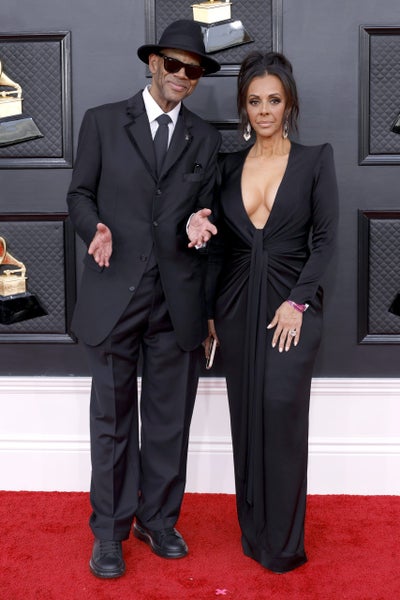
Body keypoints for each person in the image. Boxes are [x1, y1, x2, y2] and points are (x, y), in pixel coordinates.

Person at [66, 20, 221, 579]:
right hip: (114, 292)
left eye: (193, 70)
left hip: (176, 300)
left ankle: (157, 520)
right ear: (153, 63)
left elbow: (204, 209)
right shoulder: (103, 121)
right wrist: (94, 228)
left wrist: (200, 221)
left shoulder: (205, 138)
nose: (182, 75)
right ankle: (109, 532)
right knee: (111, 419)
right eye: (174, 64)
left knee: (168, 421)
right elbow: (79, 193)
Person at [206, 51, 339, 573]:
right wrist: (211, 314)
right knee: (246, 416)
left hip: (291, 303)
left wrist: (297, 301)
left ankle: (283, 544)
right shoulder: (227, 166)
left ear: (289, 104)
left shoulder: (315, 160)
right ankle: (253, 531)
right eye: (255, 100)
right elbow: (219, 248)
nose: (264, 110)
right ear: (244, 106)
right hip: (236, 303)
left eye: (274, 100)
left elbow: (324, 241)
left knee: (281, 412)